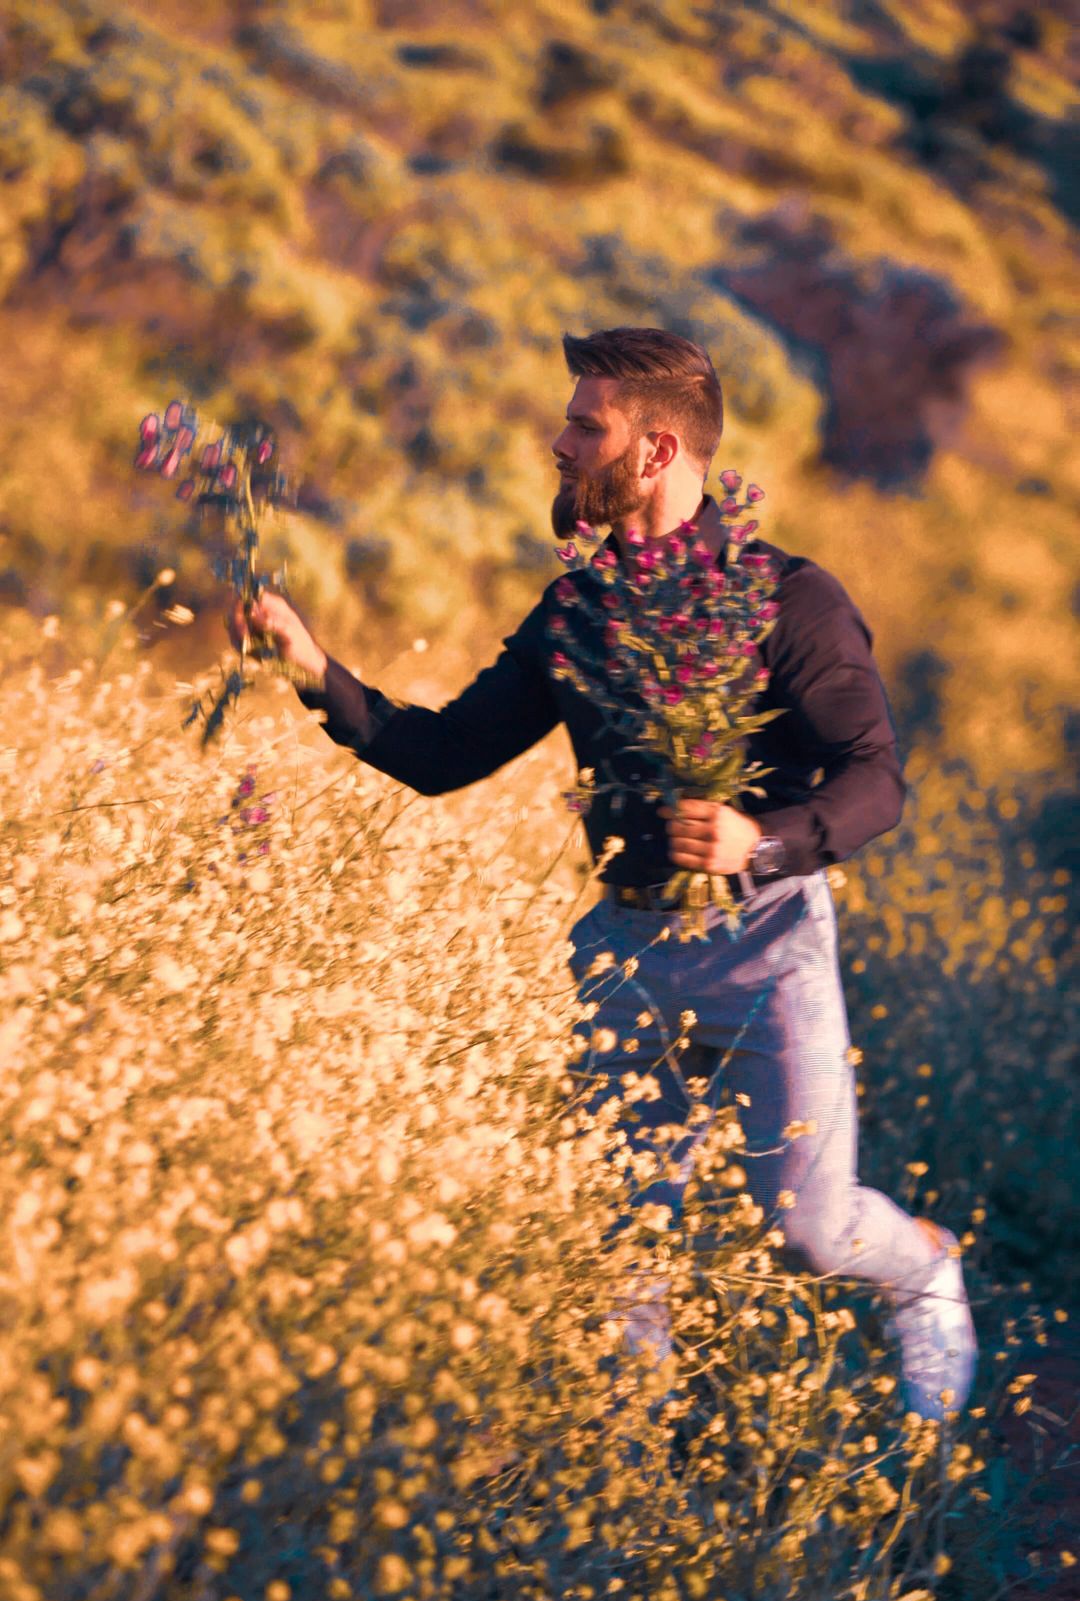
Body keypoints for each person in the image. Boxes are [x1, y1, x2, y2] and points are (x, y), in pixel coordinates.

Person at [228, 325, 977, 1422]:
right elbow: (445, 755)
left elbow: (876, 780)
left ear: (657, 450)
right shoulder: (579, 609)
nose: (561, 443)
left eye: (587, 426)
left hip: (769, 944)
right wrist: (313, 670)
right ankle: (627, 1471)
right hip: (625, 953)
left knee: (808, 1229)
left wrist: (761, 841)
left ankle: (925, 1269)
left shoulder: (789, 600)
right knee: (624, 1250)